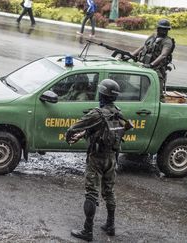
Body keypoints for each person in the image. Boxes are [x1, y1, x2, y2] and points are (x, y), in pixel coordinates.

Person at [66, 79, 132, 242]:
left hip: (96, 159)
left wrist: (70, 136)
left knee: (91, 193)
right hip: (112, 158)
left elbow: (74, 127)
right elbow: (123, 127)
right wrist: (86, 134)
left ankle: (87, 231)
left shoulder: (97, 113)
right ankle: (110, 225)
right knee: (109, 192)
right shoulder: (118, 112)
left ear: (101, 94)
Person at [132, 19, 174, 98]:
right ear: (158, 28)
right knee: (143, 89)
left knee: (158, 93)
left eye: (165, 29)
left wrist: (151, 64)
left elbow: (163, 55)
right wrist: (131, 55)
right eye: (161, 29)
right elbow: (143, 47)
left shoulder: (167, 42)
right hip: (145, 66)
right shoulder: (152, 37)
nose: (163, 31)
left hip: (157, 69)